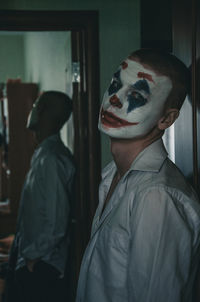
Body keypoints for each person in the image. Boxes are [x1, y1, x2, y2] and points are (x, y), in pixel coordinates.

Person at [76, 49, 200, 302]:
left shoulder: (158, 197)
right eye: (114, 85)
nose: (114, 100)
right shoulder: (113, 176)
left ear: (167, 118)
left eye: (135, 94)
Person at [6, 91, 75, 302]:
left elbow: (57, 222)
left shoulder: (52, 158)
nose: (32, 109)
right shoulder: (44, 154)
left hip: (41, 267)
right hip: (32, 262)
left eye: (36, 104)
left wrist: (32, 258)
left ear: (44, 112)